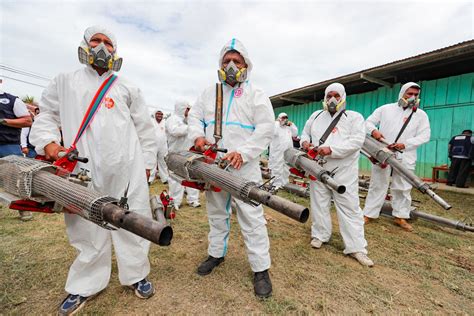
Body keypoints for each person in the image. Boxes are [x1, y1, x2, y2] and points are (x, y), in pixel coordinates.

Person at [30, 26, 158, 315]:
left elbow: (145, 130)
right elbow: (46, 115)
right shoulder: (64, 81)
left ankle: (136, 274)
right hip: (82, 169)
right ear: (84, 46)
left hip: (127, 168)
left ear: (116, 51)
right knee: (85, 226)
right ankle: (85, 285)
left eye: (108, 43)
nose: (102, 47)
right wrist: (48, 143)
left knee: (132, 220)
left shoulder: (127, 87)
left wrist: (147, 164)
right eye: (96, 41)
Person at [188, 38, 275, 298]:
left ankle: (261, 269)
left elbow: (266, 128)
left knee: (252, 218)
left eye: (236, 61)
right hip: (214, 164)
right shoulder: (209, 93)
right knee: (216, 213)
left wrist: (245, 153)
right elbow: (194, 117)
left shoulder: (256, 94)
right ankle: (216, 254)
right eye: (227, 60)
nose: (231, 65)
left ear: (246, 65)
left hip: (244, 168)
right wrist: (197, 137)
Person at [300, 83, 373, 267]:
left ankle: (356, 247)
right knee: (319, 203)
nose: (332, 99)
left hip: (344, 170)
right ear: (324, 98)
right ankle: (320, 235)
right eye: (329, 96)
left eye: (336, 96)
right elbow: (304, 134)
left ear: (343, 97)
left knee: (349, 207)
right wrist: (306, 143)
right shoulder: (315, 116)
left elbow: (356, 142)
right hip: (318, 167)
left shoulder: (354, 117)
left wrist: (331, 149)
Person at [363, 82, 431, 232]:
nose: (413, 97)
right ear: (402, 93)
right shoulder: (385, 109)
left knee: (403, 186)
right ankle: (369, 214)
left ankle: (400, 216)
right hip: (383, 151)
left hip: (406, 154)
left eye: (416, 95)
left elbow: (425, 136)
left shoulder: (420, 115)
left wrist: (405, 144)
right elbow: (368, 122)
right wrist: (374, 131)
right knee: (378, 184)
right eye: (409, 93)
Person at [0, 88, 33, 221]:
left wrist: (2, 121)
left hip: (8, 145)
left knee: (16, 178)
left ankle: (24, 209)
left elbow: (27, 121)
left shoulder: (12, 100)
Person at [165, 100, 201, 209]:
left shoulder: (188, 121)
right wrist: (190, 128)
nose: (189, 111)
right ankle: (175, 202)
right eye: (187, 109)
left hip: (189, 154)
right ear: (182, 108)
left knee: (192, 177)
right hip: (176, 154)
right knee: (176, 179)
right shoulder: (172, 119)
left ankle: (193, 200)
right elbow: (175, 131)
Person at [268, 112, 298, 189]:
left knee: (286, 168)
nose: (285, 120)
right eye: (283, 118)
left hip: (287, 152)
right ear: (279, 118)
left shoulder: (288, 128)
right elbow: (274, 132)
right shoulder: (276, 126)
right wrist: (277, 122)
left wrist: (292, 125)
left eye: (286, 118)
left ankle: (284, 184)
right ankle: (275, 184)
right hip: (277, 152)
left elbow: (295, 134)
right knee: (277, 168)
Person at [149, 110, 169, 184]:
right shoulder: (151, 121)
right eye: (158, 114)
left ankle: (165, 179)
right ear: (154, 114)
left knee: (163, 162)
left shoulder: (165, 122)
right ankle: (150, 179)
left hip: (163, 145)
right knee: (152, 162)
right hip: (152, 145)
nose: (159, 115)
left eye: (161, 114)